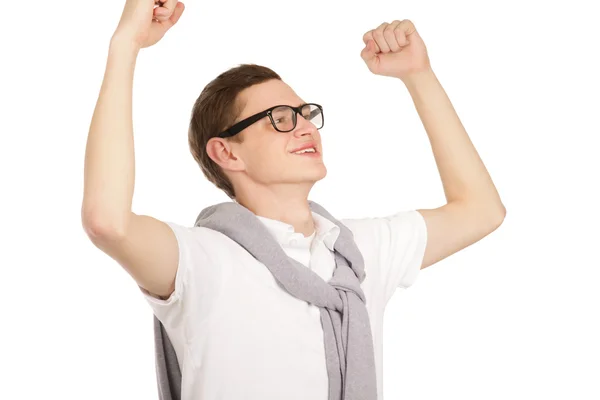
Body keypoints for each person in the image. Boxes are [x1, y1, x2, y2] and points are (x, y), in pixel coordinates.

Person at [81, 1, 506, 399]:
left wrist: (419, 74)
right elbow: (107, 222)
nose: (305, 127)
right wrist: (126, 45)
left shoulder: (357, 254)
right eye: (280, 119)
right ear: (227, 152)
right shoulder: (199, 259)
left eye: (305, 114)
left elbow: (481, 210)